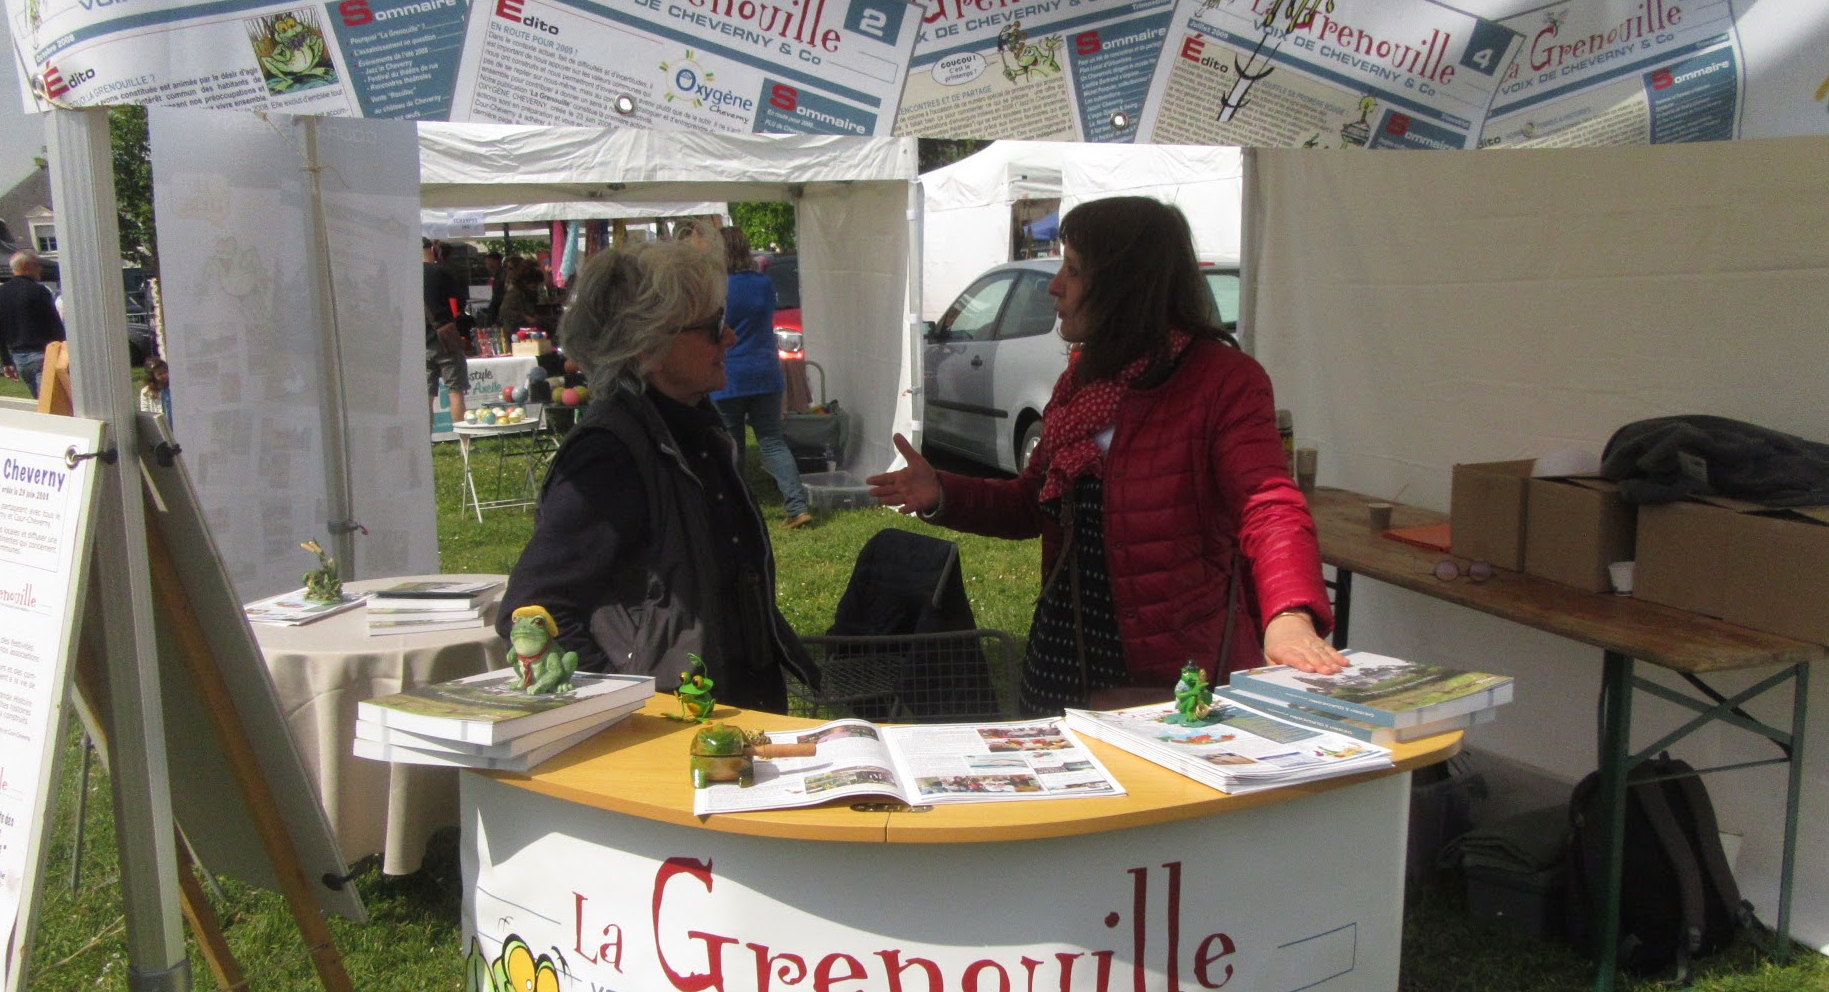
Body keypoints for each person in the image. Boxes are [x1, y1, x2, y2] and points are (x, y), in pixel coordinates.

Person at [867, 196, 1344, 715]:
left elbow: (1268, 503)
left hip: (1167, 677)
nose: (1054, 285)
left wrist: (1290, 612)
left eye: (1072, 270)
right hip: (1061, 657)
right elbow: (1033, 503)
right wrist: (943, 491)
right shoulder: (1082, 381)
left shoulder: (1221, 382)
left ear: (1124, 284)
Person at [499, 240, 817, 712]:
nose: (730, 338)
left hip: (726, 713)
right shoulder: (611, 454)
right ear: (649, 344)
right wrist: (627, 707)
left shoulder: (693, 430)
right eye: (712, 328)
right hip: (668, 733)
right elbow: (535, 610)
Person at [712, 226, 811, 529]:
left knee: (733, 448)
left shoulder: (718, 288)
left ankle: (736, 511)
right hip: (766, 372)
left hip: (729, 376)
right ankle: (797, 507)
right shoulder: (763, 283)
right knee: (772, 442)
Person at [0, 250, 67, 396]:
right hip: (42, 354)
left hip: (18, 357)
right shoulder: (39, 291)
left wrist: (5, 360)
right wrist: (64, 348)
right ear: (26, 266)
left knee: (40, 399)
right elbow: (53, 323)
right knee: (51, 399)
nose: (40, 269)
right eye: (37, 265)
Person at [422, 238, 468, 424]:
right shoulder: (440, 272)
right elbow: (458, 303)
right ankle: (464, 443)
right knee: (455, 392)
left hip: (421, 342)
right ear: (432, 249)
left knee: (426, 397)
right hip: (445, 340)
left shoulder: (404, 275)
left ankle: (426, 444)